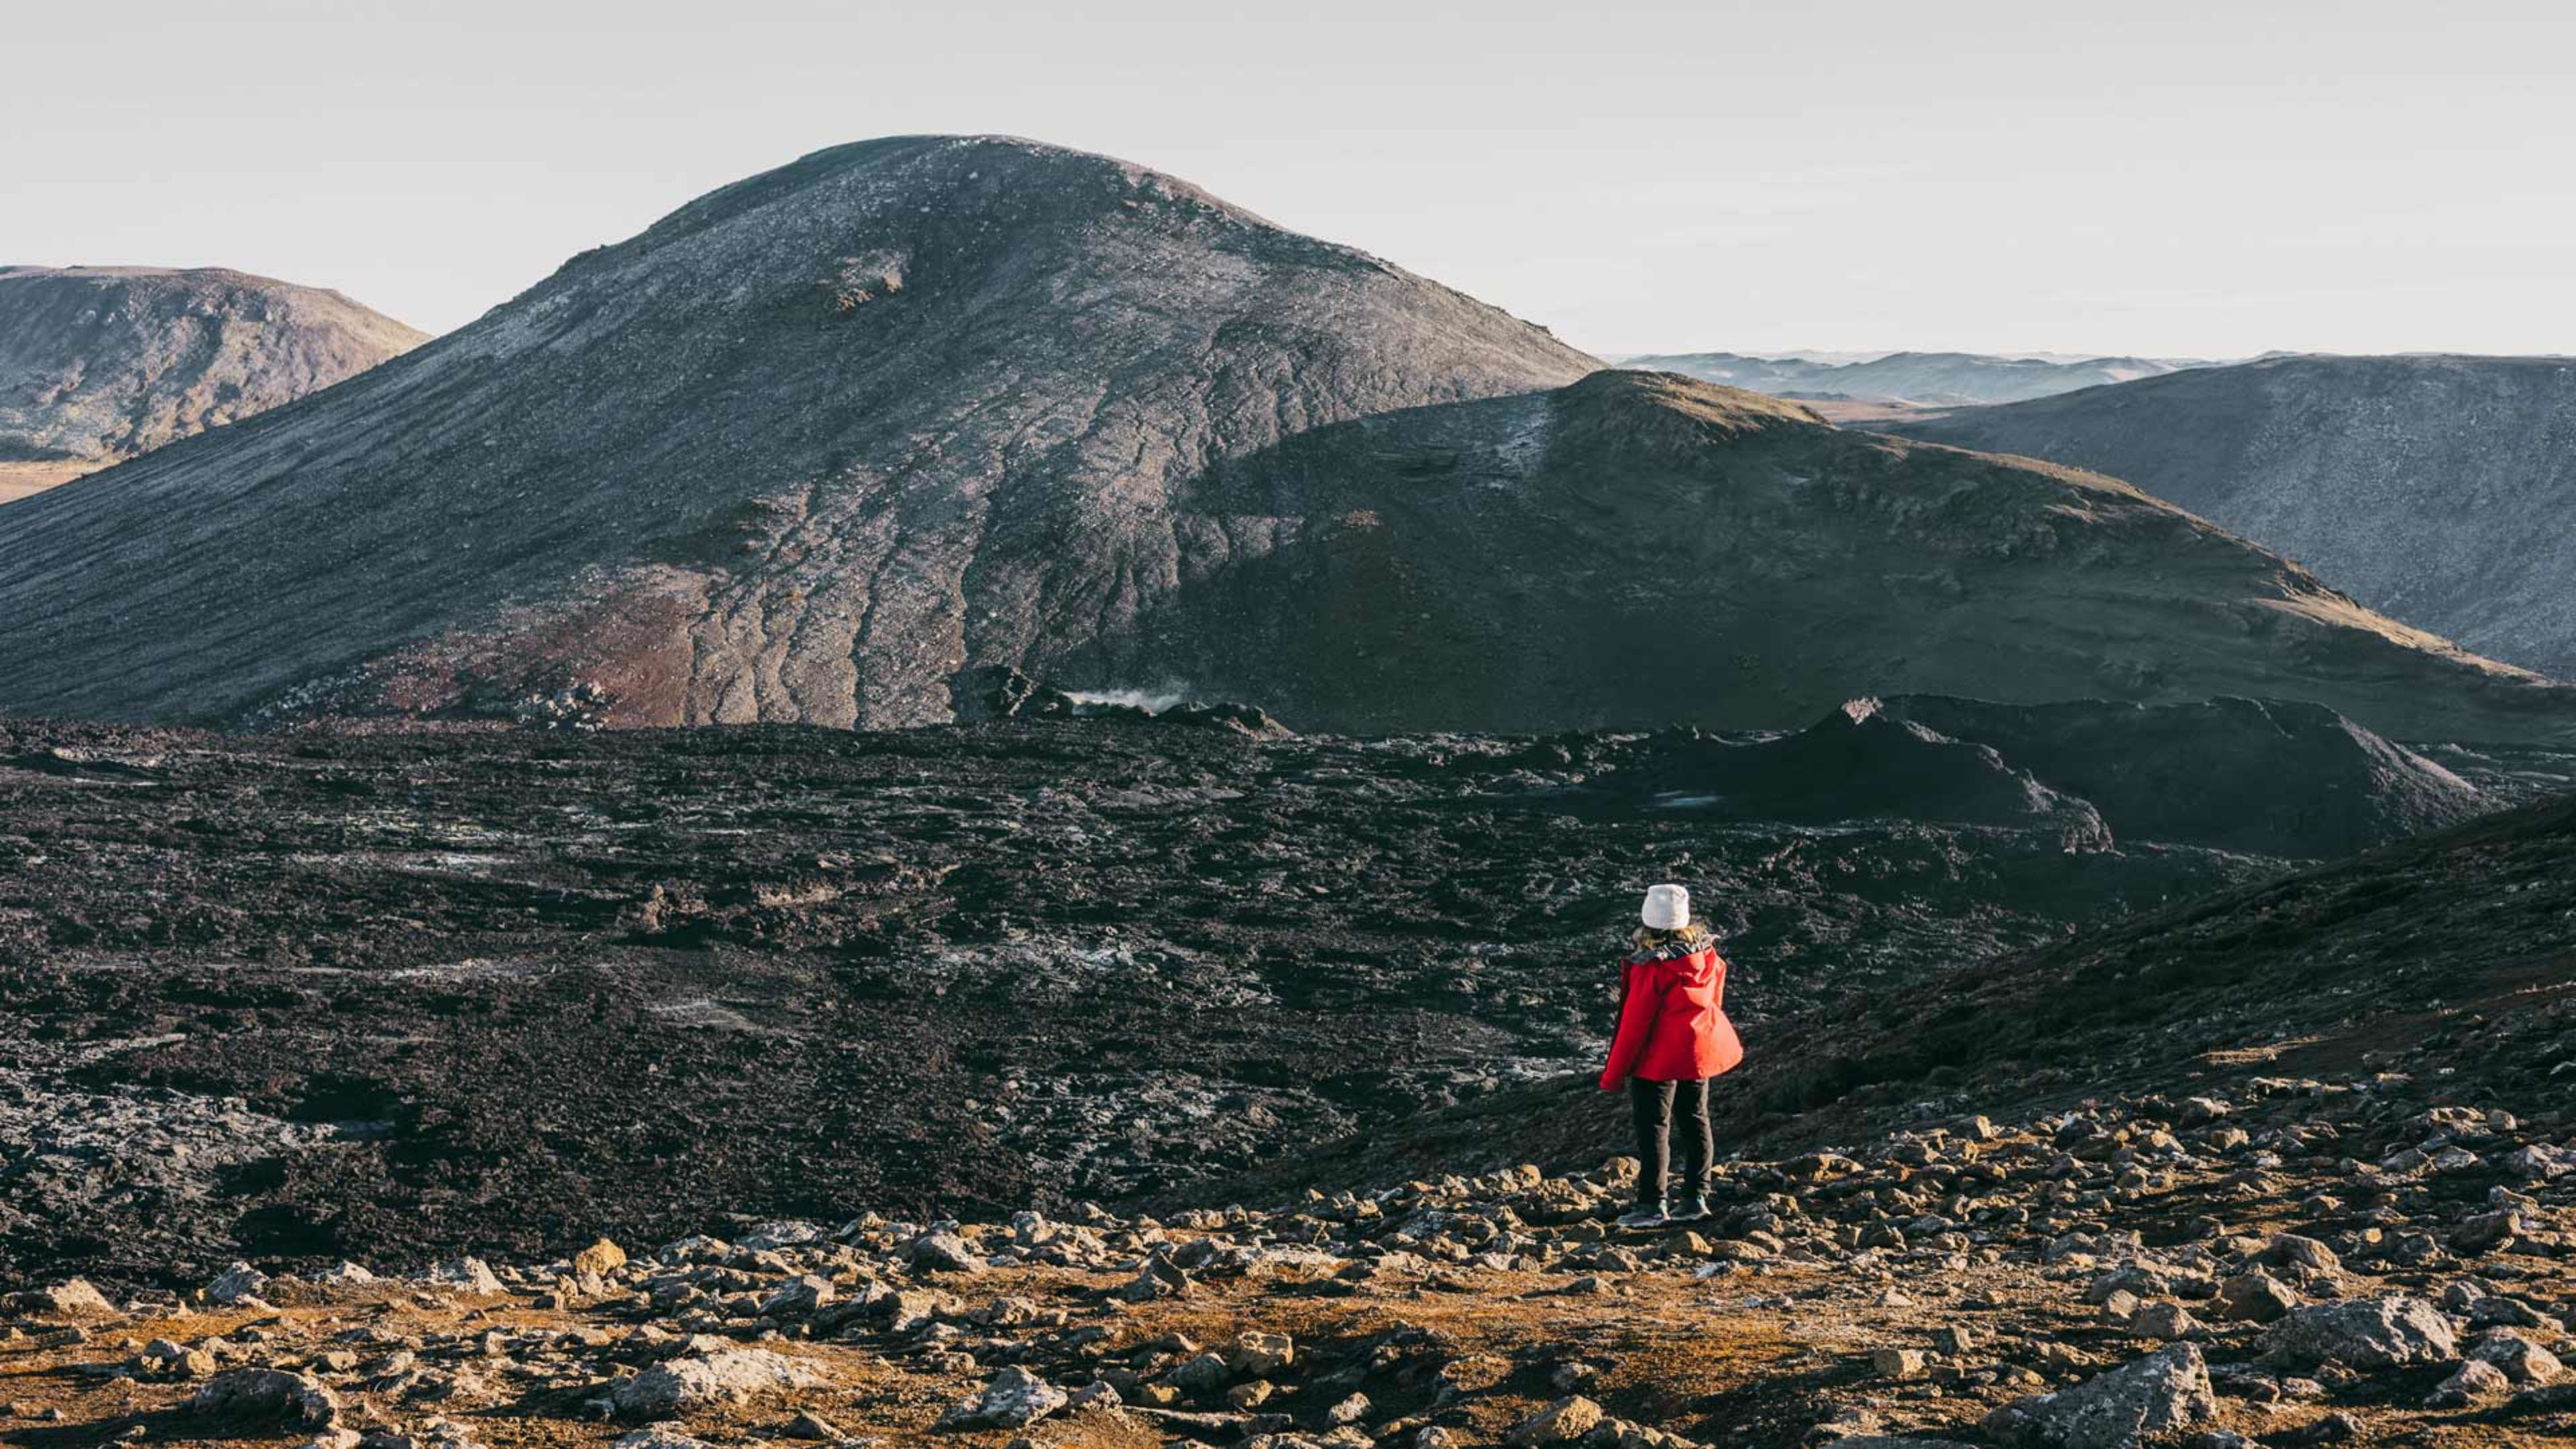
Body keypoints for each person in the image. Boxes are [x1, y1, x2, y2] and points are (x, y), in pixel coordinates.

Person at [1597, 883, 1743, 1228]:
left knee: (1654, 1130)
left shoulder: (1653, 969)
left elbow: (1633, 1028)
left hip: (1658, 1062)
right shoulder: (1708, 957)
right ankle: (1695, 1198)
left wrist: (1613, 1075)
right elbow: (1714, 1004)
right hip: (1697, 1054)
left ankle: (1651, 1204)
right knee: (1696, 1121)